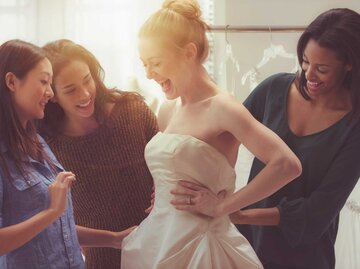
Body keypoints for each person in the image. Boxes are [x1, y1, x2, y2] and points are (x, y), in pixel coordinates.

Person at [173, 8, 360, 269]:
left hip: (304, 258)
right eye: (305, 61)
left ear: (349, 64)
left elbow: (316, 213)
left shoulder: (353, 129)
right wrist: (173, 177)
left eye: (322, 69)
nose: (309, 75)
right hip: (248, 245)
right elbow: (221, 137)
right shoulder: (274, 89)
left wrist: (233, 211)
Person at [121, 1, 302, 268]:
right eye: (144, 64)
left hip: (202, 247)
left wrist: (222, 206)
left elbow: (287, 165)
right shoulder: (168, 108)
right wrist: (161, 190)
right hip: (157, 239)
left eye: (155, 62)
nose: (148, 74)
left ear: (189, 52)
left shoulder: (223, 107)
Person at [0, 39, 134, 269]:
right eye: (44, 81)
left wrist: (113, 239)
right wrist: (51, 212)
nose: (50, 93)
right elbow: (50, 218)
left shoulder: (37, 142)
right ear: (12, 81)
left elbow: (57, 228)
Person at [39, 39, 158, 269]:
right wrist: (111, 240)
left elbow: (167, 164)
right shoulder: (48, 145)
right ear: (52, 94)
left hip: (158, 241)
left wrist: (162, 187)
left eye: (87, 80)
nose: (85, 94)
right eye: (71, 90)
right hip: (101, 258)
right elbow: (52, 218)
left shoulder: (132, 109)